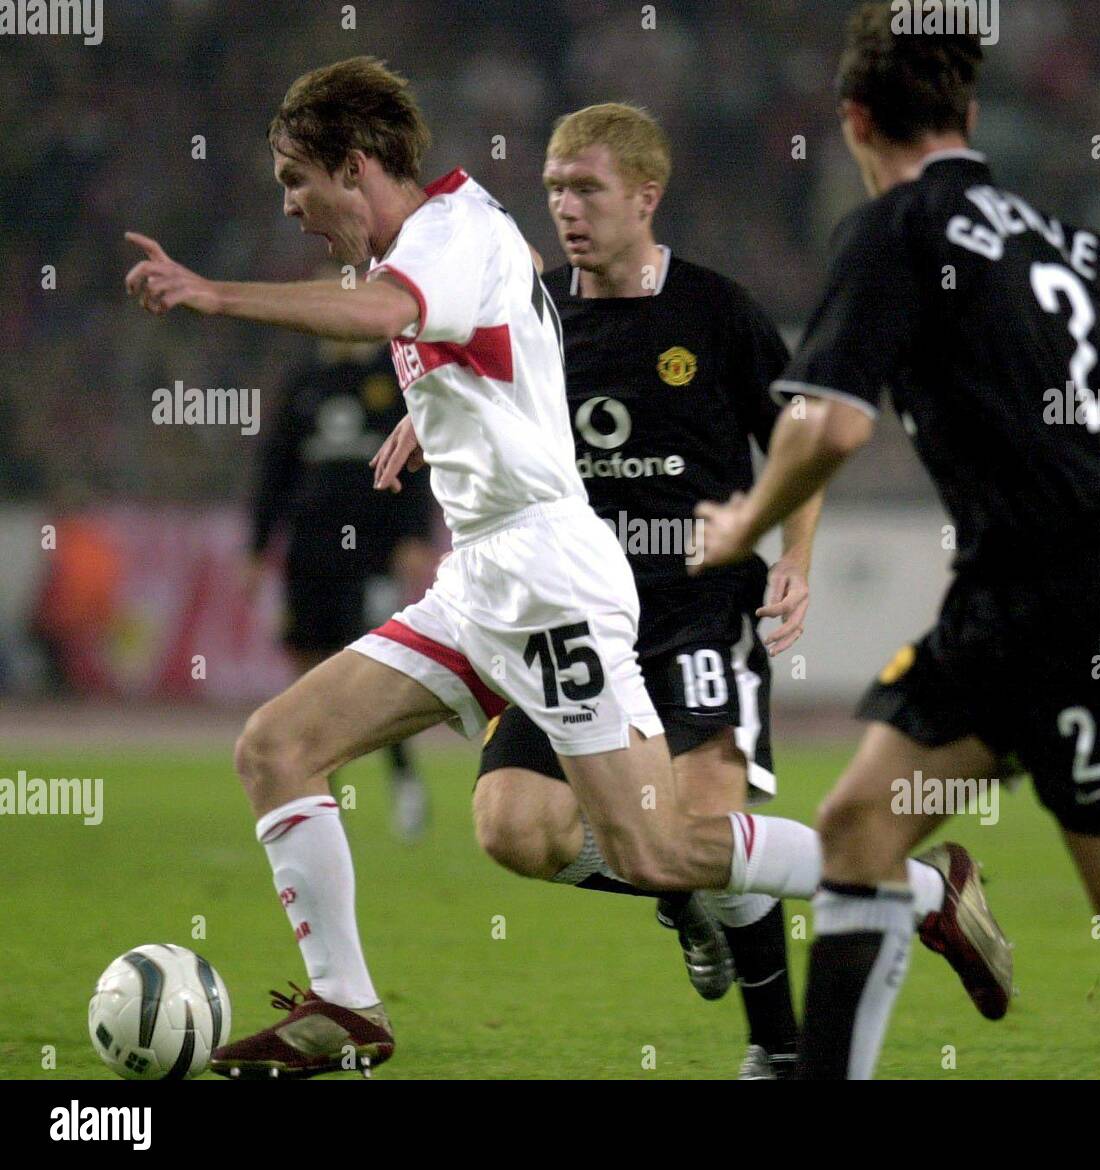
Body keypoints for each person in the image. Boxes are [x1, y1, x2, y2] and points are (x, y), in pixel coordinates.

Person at [124, 55, 827, 1079]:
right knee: (280, 748)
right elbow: (510, 347)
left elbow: (383, 315)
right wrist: (432, 407)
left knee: (661, 851)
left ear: (355, 164)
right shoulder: (471, 249)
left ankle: (896, 883)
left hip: (555, 580)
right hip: (484, 580)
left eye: (295, 181)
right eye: (558, 188)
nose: (289, 206)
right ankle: (345, 1008)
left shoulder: (453, 240)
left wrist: (214, 296)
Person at [694, 1, 1100, 1080]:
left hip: (1060, 609)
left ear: (851, 120)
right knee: (859, 829)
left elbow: (830, 419)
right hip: (1023, 599)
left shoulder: (895, 229)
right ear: (968, 109)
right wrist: (1096, 541)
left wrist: (744, 521)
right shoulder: (1074, 243)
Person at [378, 102, 1010, 1080]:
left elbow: (804, 431)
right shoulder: (533, 311)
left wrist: (792, 555)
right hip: (572, 620)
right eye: (552, 188)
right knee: (514, 828)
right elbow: (476, 391)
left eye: (585, 188)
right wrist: (439, 416)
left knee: (703, 827)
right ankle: (699, 897)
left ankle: (778, 1045)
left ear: (644, 195)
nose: (565, 208)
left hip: (697, 613)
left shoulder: (715, 312)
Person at [248, 337, 436, 841]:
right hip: (309, 555)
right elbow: (274, 472)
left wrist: (415, 535)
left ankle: (405, 783)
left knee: (379, 672)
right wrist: (258, 547)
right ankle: (319, 798)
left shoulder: (392, 379)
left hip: (370, 555)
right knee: (308, 671)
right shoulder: (303, 382)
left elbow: (419, 464)